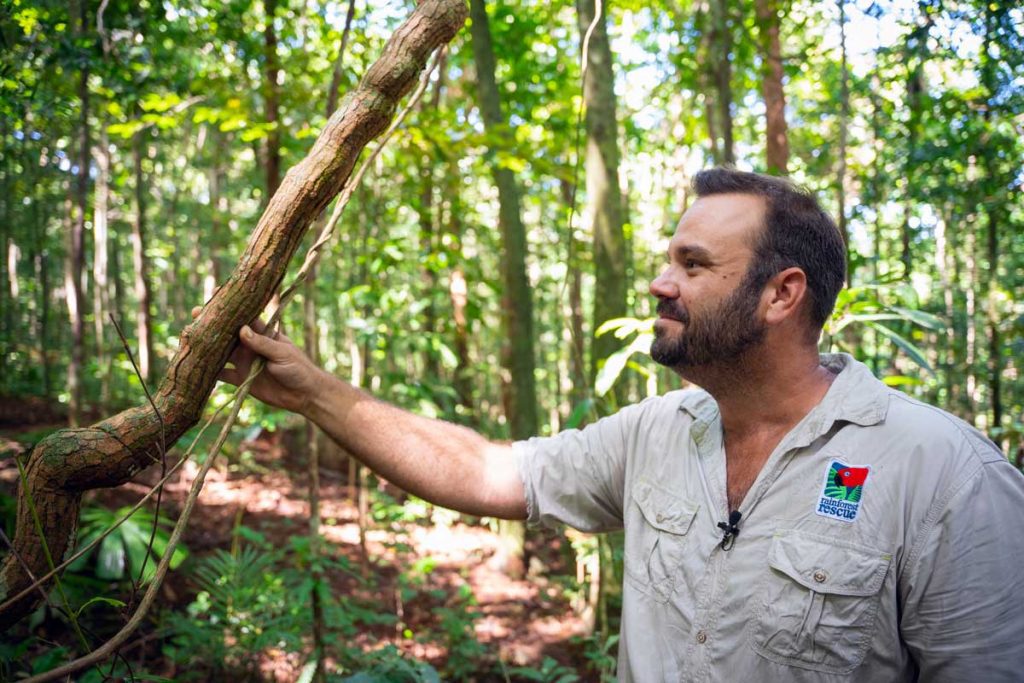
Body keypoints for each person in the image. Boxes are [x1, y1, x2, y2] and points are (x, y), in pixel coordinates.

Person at [210, 168, 1024, 682]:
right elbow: (491, 470)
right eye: (671, 258)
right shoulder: (657, 431)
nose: (660, 283)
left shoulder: (941, 471)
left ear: (782, 294)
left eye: (694, 265)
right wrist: (315, 393)